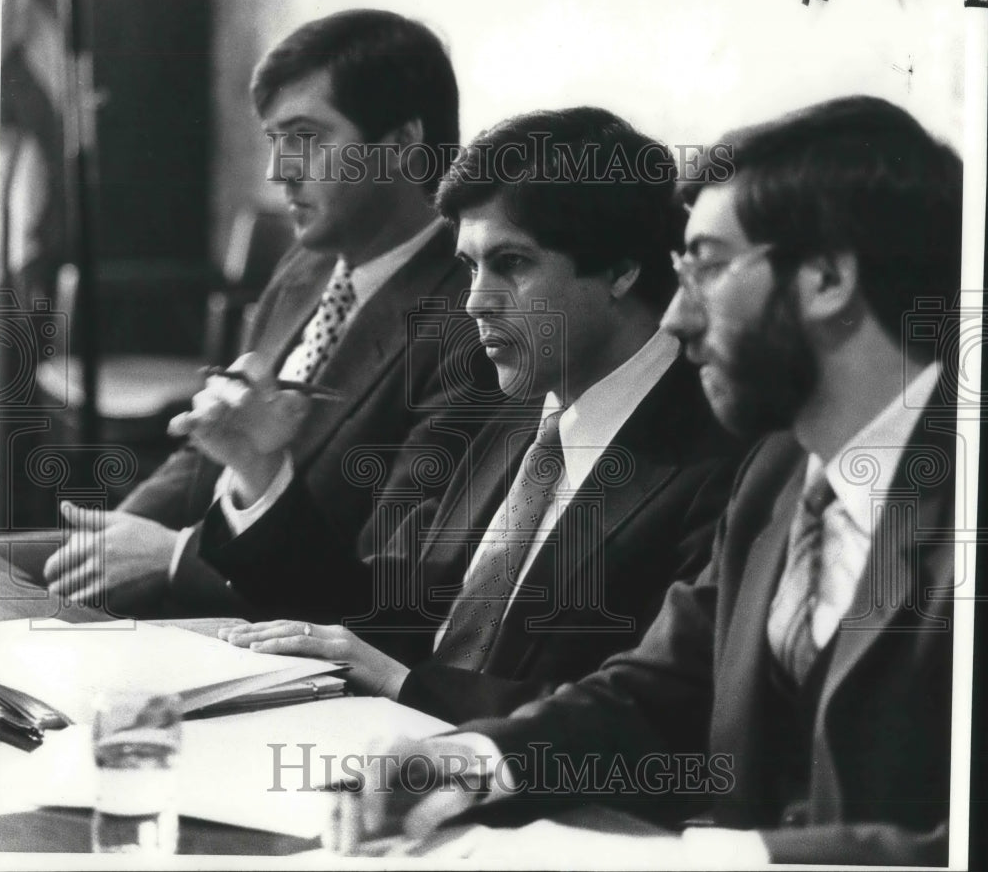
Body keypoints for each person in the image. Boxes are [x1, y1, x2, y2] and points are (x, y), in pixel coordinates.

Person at [321, 96, 962, 866]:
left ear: (827, 278)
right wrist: (470, 759)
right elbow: (654, 693)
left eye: (710, 268)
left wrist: (696, 860)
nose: (680, 318)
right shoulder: (781, 474)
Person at [192, 107, 743, 720]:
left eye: (512, 264)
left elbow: (657, 714)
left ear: (620, 269)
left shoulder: (722, 455)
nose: (476, 302)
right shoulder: (515, 410)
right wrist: (258, 468)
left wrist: (405, 686)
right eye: (470, 267)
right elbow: (389, 611)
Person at [39, 10, 498, 621]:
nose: (276, 171)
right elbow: (213, 449)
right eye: (275, 140)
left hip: (279, 638)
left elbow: (384, 585)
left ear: (401, 145)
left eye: (305, 138)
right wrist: (117, 535)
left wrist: (174, 556)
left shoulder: (474, 321)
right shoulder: (308, 267)